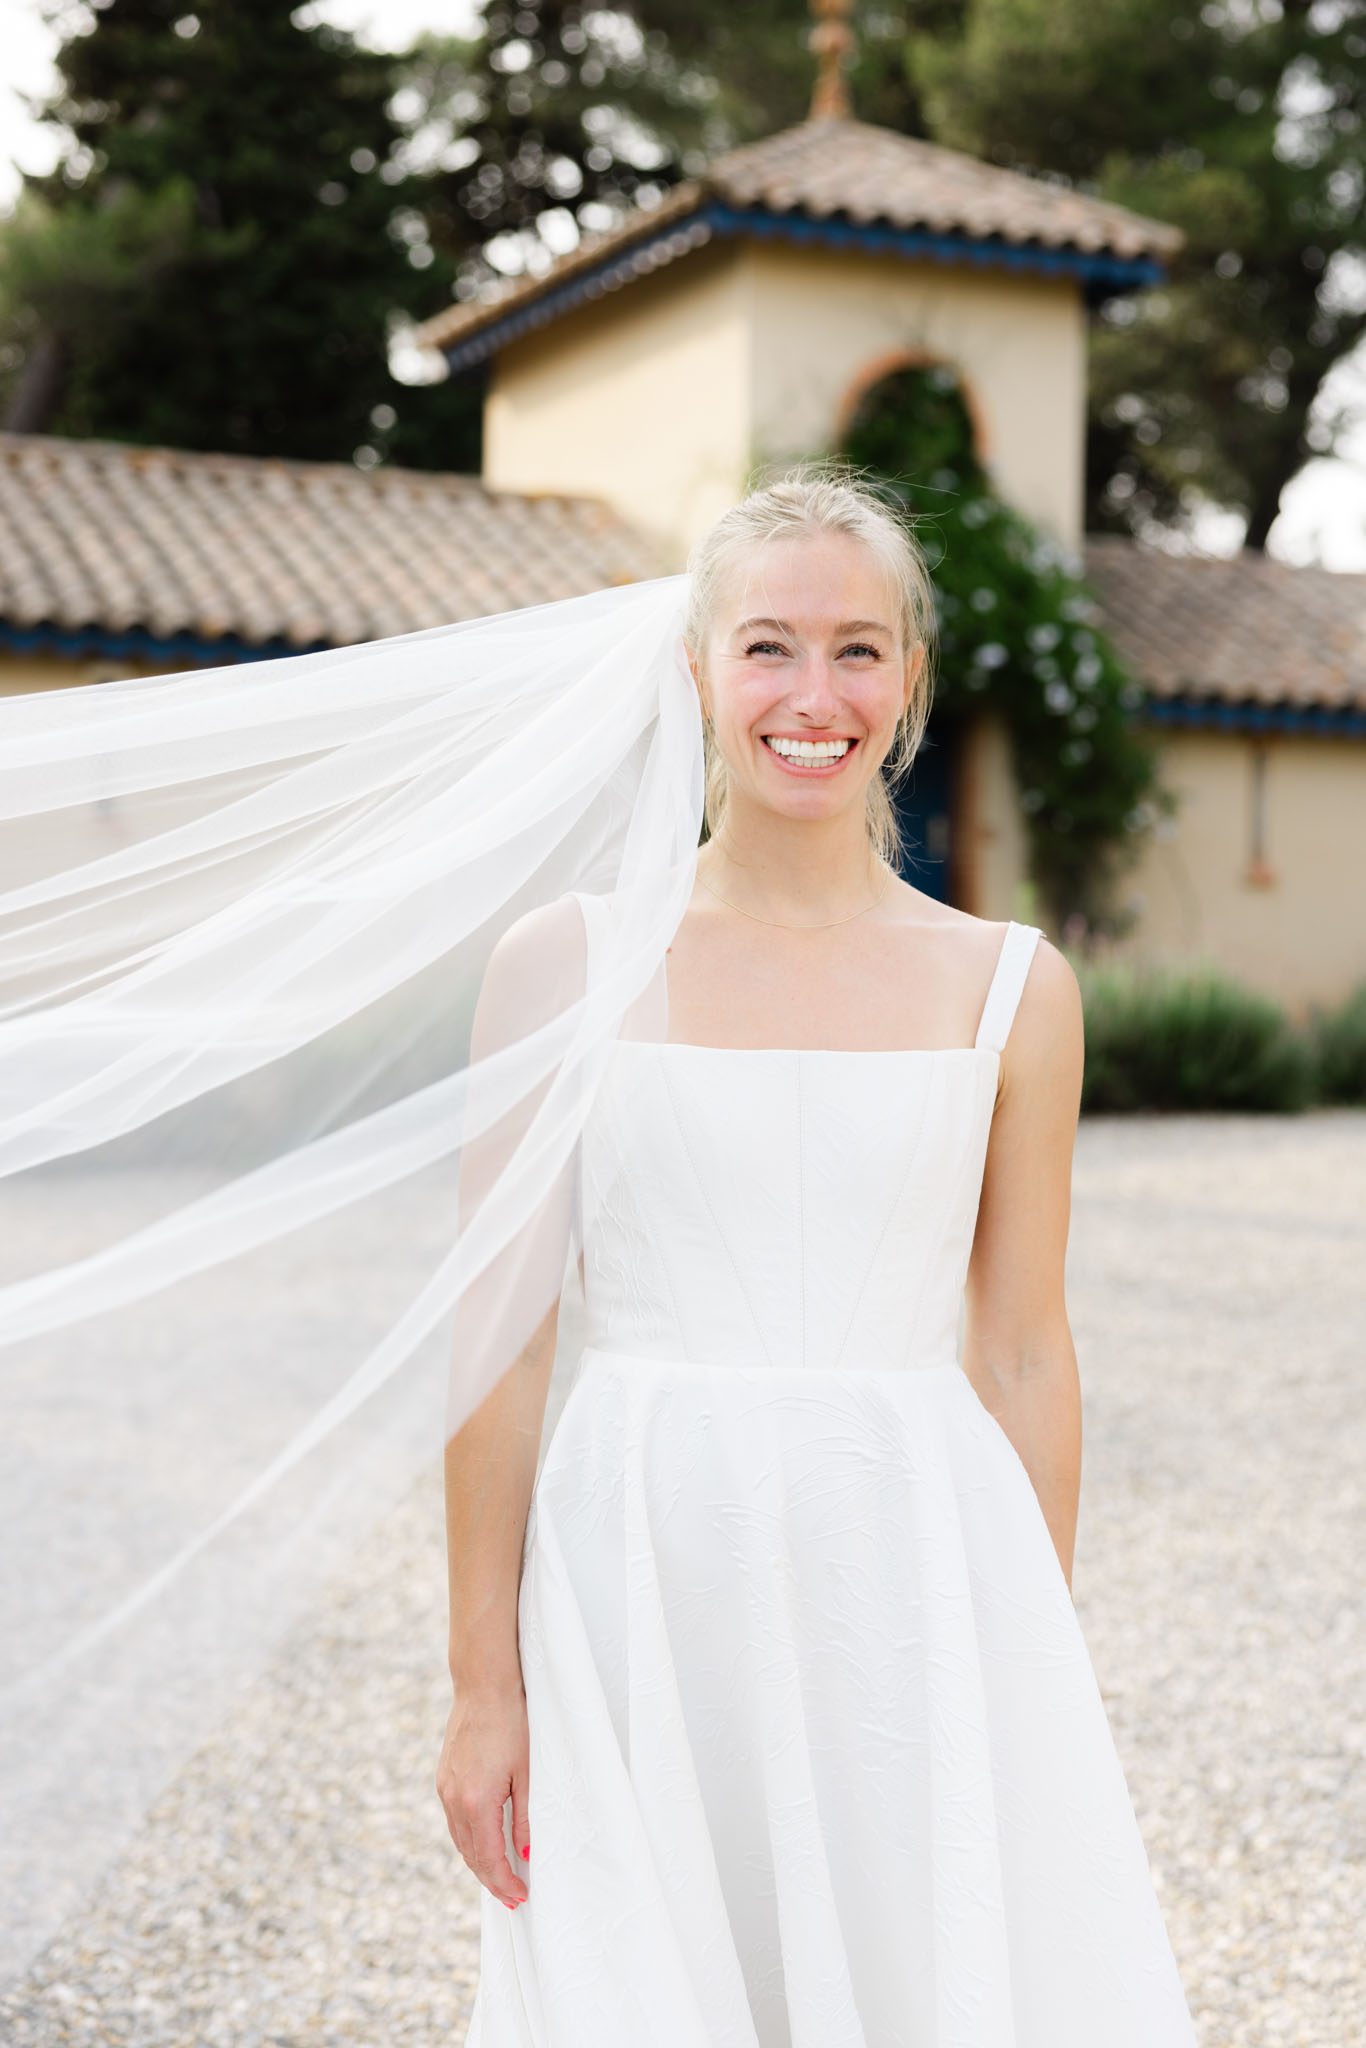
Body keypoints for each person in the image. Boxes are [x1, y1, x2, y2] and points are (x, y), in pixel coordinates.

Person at [435, 474, 1197, 2046]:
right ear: (696, 672)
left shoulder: (1011, 989)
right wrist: (481, 1685)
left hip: (909, 1569)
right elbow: (499, 1354)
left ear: (909, 679)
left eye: (858, 650)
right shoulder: (559, 968)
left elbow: (1020, 1352)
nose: (812, 695)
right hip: (637, 1561)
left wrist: (1021, 1661)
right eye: (768, 646)